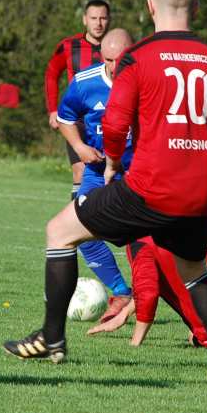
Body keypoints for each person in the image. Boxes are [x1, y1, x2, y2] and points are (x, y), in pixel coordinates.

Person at [4, 0, 207, 374]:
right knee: (193, 269)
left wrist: (115, 162)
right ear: (196, 6)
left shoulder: (140, 57)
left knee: (59, 232)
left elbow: (116, 126)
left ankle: (52, 338)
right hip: (200, 194)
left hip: (150, 188)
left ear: (151, 6)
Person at [56, 28, 135, 323]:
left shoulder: (149, 81)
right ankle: (122, 293)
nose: (116, 67)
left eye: (122, 59)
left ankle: (150, 299)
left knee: (149, 241)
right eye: (110, 59)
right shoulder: (85, 82)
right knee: (81, 231)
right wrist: (79, 146)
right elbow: (65, 118)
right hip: (97, 172)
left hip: (138, 175)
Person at [44, 0, 111, 202]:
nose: (98, 23)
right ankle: (79, 223)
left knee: (113, 174)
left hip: (111, 122)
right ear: (84, 20)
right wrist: (53, 110)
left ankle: (110, 223)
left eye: (103, 18)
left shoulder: (118, 48)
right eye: (93, 18)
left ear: (109, 20)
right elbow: (51, 74)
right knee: (81, 172)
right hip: (79, 122)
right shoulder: (68, 46)